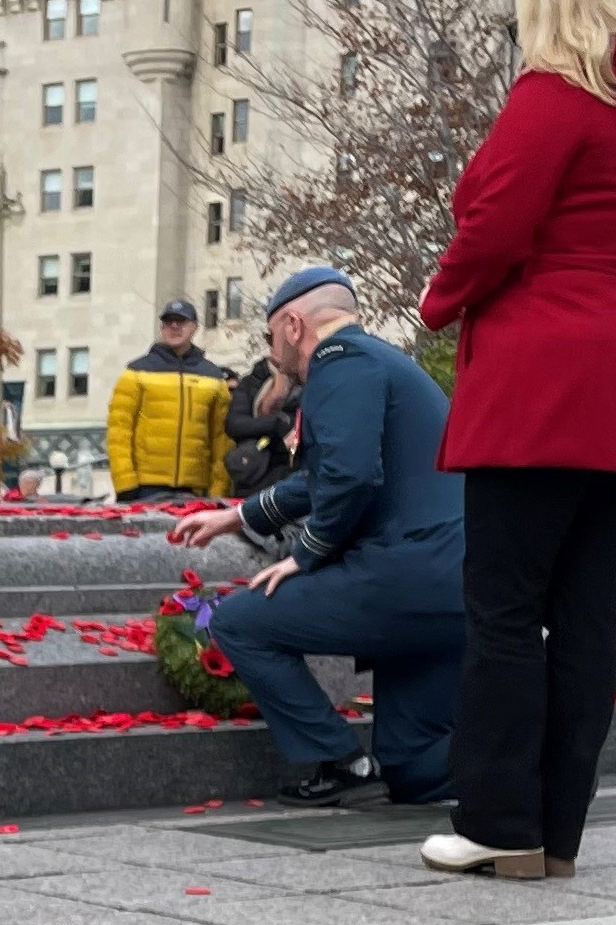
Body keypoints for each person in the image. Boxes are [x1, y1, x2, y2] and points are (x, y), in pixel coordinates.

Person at [411, 0, 616, 877]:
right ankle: (558, 827)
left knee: (503, 606)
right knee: (586, 611)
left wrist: (438, 302)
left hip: (545, 364)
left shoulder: (553, 95)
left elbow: (495, 221)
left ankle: (499, 823)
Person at [172, 265, 464, 806]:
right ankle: (530, 758)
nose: (271, 351)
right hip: (454, 585)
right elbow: (330, 476)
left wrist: (307, 553)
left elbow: (351, 476)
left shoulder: (338, 363)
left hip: (405, 576)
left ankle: (343, 763)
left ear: (291, 324)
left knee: (238, 621)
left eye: (268, 337)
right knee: (412, 767)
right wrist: (238, 516)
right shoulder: (381, 360)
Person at [105, 298, 229, 501]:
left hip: (196, 489)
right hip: (144, 488)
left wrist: (219, 489)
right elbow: (119, 432)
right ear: (162, 326)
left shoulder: (213, 377)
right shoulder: (136, 373)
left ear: (194, 327)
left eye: (181, 321)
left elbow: (221, 439)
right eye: (169, 321)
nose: (174, 326)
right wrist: (125, 483)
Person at [222, 346, 296, 499]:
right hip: (253, 476)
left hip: (291, 478)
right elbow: (235, 425)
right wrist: (276, 424)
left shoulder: (308, 380)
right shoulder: (252, 381)